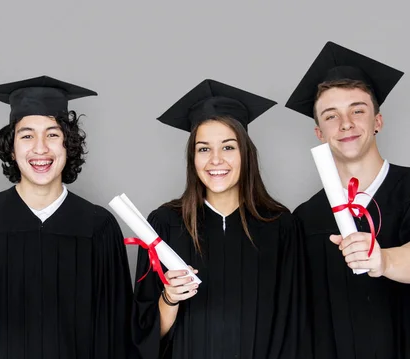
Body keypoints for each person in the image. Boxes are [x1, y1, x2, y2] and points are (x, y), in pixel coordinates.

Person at [0, 76, 134, 358]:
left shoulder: (98, 226)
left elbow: (116, 334)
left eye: (53, 134)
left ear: (68, 145)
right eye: (26, 135)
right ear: (12, 149)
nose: (40, 148)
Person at [132, 79, 311, 359]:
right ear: (193, 158)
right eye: (204, 148)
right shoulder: (166, 224)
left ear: (246, 153)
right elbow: (144, 335)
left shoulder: (279, 226)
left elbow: (294, 325)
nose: (216, 160)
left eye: (228, 147)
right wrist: (170, 297)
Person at [286, 41, 410, 358]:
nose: (346, 124)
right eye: (331, 116)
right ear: (319, 133)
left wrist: (384, 260)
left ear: (378, 121)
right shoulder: (305, 218)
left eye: (358, 110)